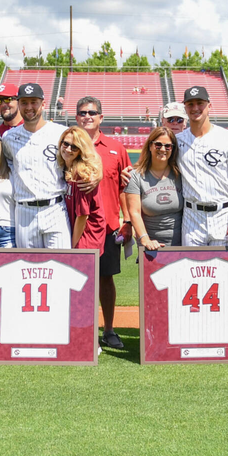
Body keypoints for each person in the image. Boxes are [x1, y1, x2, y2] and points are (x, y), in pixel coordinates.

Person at [74, 96, 133, 351]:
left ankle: (108, 330)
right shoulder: (68, 145)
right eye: (83, 112)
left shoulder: (115, 148)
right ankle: (80, 329)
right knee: (76, 280)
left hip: (107, 225)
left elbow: (125, 188)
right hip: (75, 225)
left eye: (92, 112)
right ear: (76, 117)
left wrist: (127, 220)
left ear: (101, 117)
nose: (87, 116)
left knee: (106, 279)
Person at [3, 82, 75, 249]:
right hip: (24, 211)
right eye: (24, 102)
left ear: (43, 103)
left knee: (60, 262)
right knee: (28, 264)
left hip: (55, 207)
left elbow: (81, 161)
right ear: (18, 104)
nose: (29, 107)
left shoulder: (61, 133)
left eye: (34, 102)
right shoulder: (8, 137)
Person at [176, 85, 228, 247]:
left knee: (222, 263)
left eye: (200, 103)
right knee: (191, 263)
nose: (195, 108)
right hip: (192, 217)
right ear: (185, 108)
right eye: (190, 104)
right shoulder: (178, 141)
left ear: (209, 105)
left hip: (222, 215)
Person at [59, 126, 107, 255]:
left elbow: (82, 216)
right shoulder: (64, 168)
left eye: (74, 147)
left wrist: (72, 247)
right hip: (76, 233)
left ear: (81, 150)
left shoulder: (82, 175)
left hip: (86, 238)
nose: (68, 149)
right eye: (65, 143)